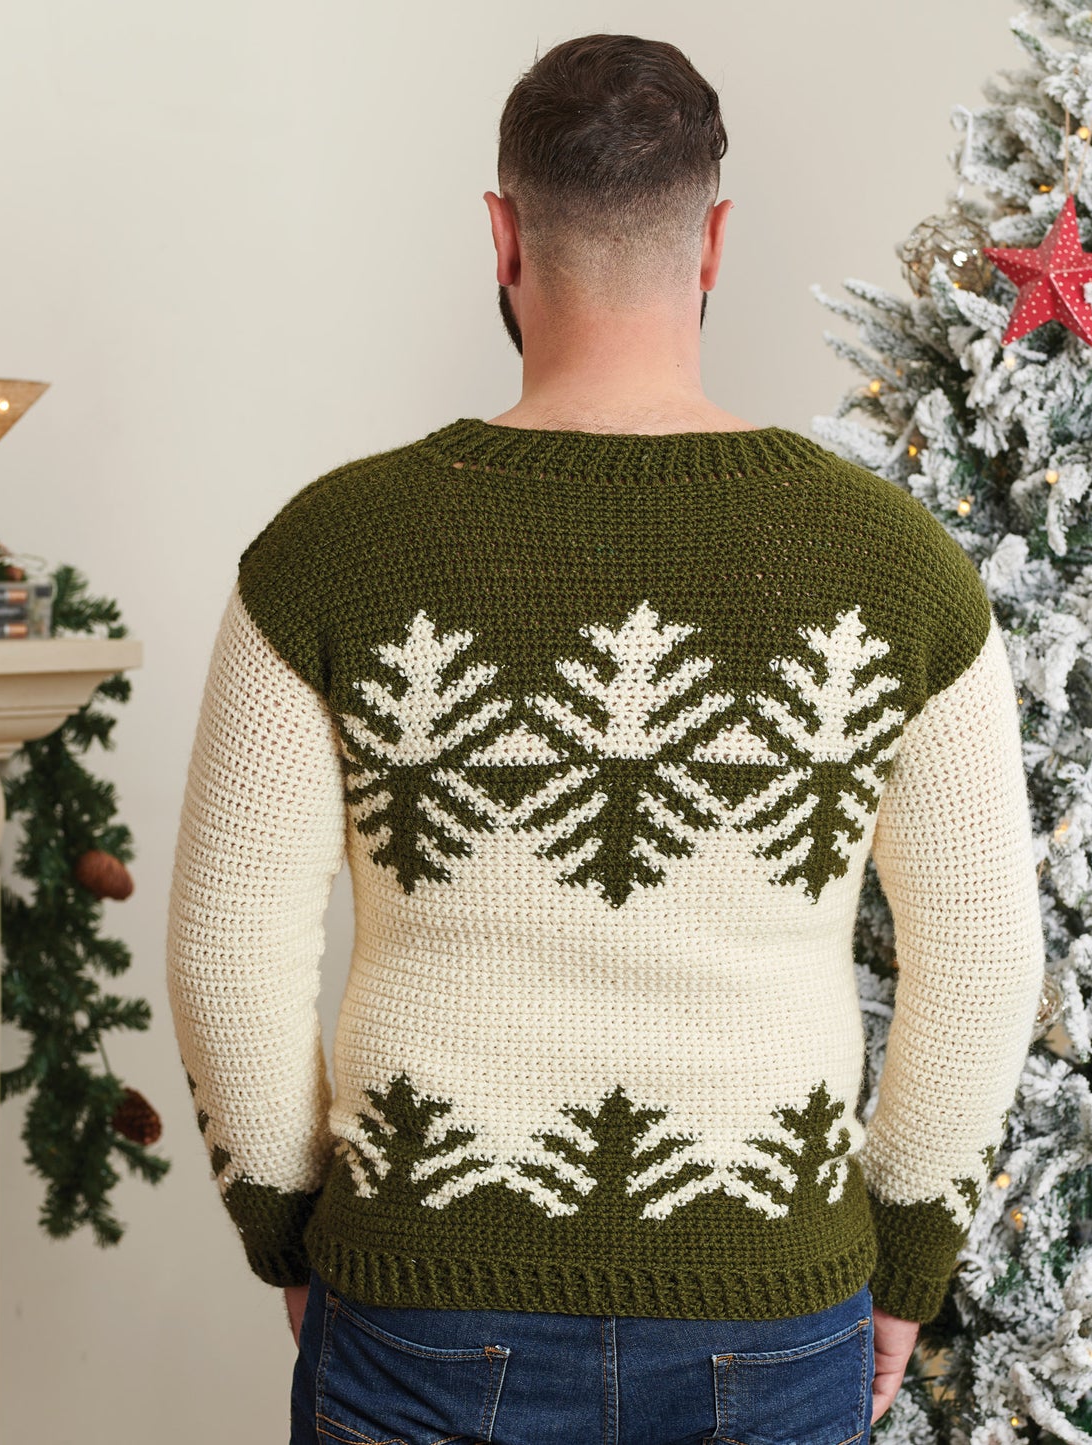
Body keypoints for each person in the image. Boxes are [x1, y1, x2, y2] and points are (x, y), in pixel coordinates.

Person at [164, 31, 1046, 1445]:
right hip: (769, 1300)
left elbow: (227, 932)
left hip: (422, 1296)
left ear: (503, 234)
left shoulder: (329, 552)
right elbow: (987, 952)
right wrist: (907, 1263)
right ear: (711, 243)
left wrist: (286, 1219)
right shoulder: (894, 568)